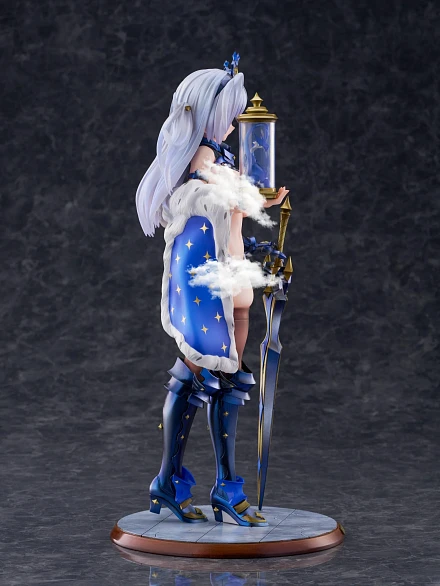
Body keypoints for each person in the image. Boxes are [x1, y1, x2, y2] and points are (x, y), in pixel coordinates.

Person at [135, 55, 288, 527]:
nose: (234, 124)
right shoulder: (202, 157)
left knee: (228, 379)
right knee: (200, 371)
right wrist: (247, 196)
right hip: (210, 281)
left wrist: (260, 242)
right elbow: (207, 208)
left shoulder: (221, 156)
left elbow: (232, 224)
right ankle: (172, 480)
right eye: (229, 114)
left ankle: (221, 485)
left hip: (233, 277)